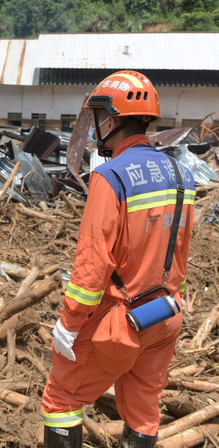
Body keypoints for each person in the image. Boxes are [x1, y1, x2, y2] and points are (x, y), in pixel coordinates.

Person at [41, 71, 196, 448]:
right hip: (166, 315)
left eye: (99, 120)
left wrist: (70, 321)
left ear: (111, 120)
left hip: (119, 323)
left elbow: (92, 263)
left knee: (61, 400)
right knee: (143, 408)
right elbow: (181, 251)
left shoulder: (109, 177)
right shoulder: (182, 175)